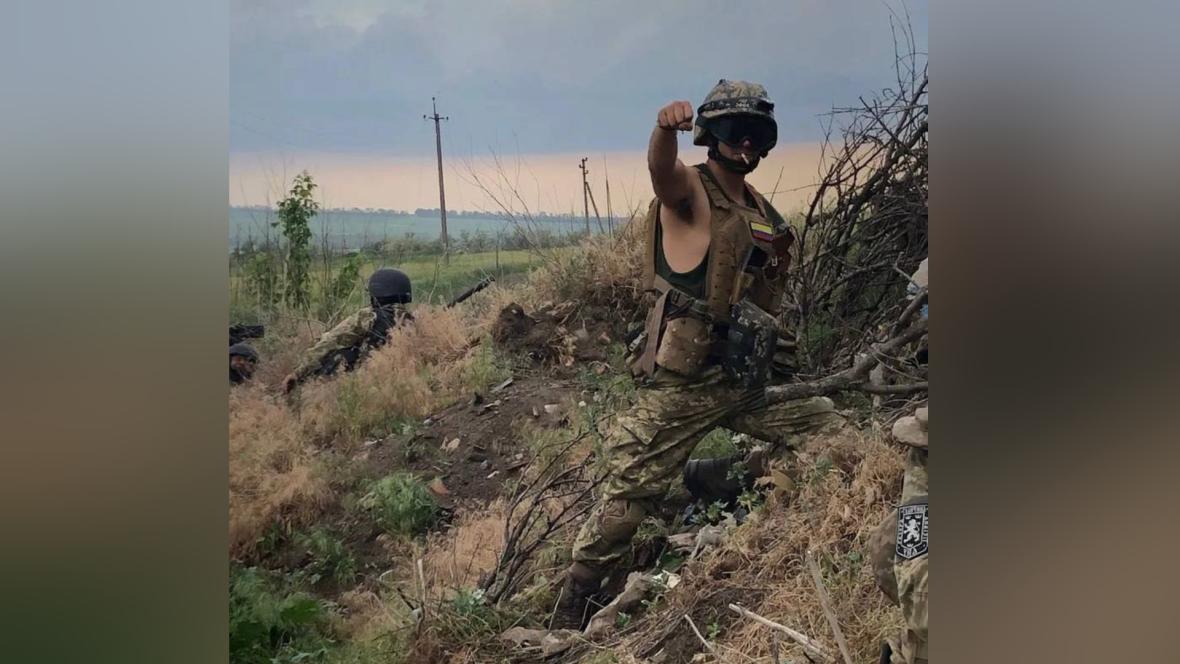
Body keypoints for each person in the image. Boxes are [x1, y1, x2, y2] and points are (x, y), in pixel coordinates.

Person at [552, 80, 842, 629]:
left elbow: (766, 297)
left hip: (747, 376)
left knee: (828, 433)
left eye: (757, 134)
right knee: (627, 496)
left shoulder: (766, 217)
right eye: (735, 132)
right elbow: (663, 175)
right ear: (711, 134)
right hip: (684, 382)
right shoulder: (690, 191)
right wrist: (664, 129)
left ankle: (724, 474)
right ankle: (575, 601)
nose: (746, 145)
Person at [283, 267, 414, 393]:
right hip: (395, 381)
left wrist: (298, 373)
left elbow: (331, 341)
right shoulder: (413, 320)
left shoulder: (368, 316)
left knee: (341, 353)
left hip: (363, 380)